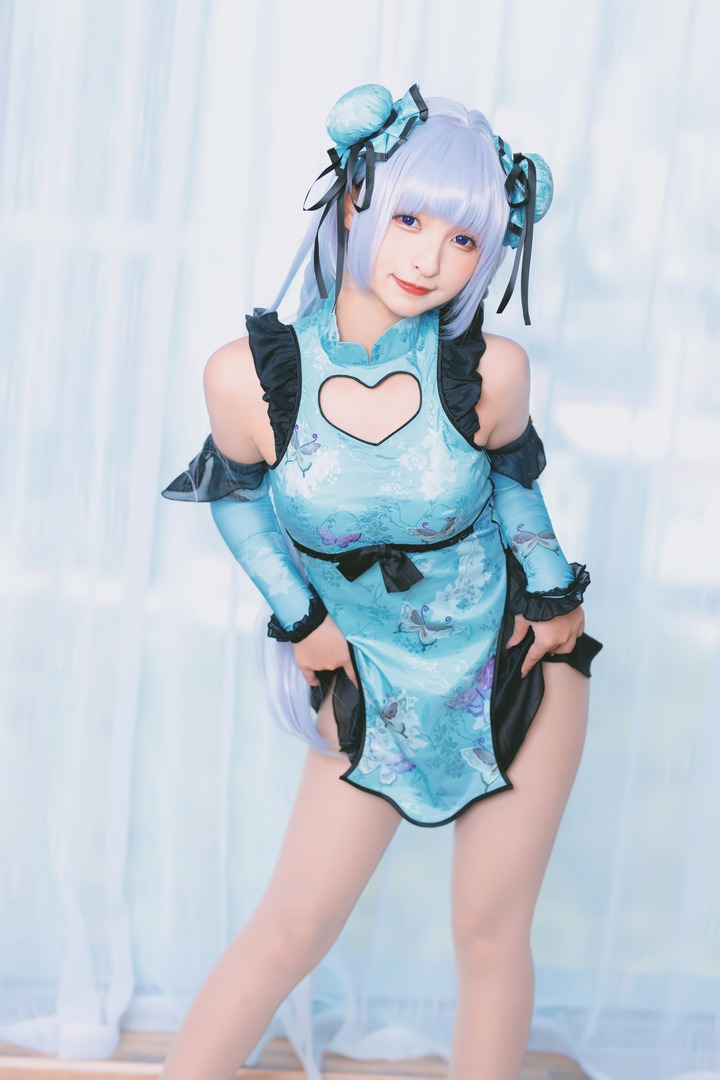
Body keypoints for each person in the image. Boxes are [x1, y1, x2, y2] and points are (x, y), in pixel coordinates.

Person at [159, 84, 602, 1080]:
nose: (429, 259)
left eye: (463, 239)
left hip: (511, 666)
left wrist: (555, 597)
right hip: (373, 672)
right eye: (410, 218)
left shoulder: (492, 370)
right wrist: (304, 621)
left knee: (489, 934)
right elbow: (238, 504)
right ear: (355, 195)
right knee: (292, 926)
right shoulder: (249, 376)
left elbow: (516, 491)